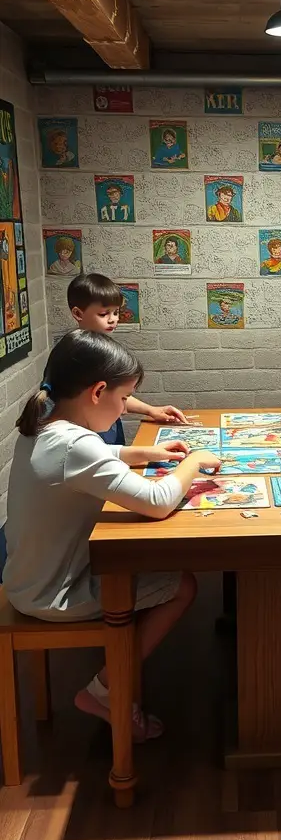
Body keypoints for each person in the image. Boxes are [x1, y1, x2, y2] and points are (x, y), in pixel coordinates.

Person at [3, 330, 221, 738]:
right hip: (56, 594)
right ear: (98, 392)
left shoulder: (44, 426)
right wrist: (194, 463)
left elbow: (97, 455)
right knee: (183, 585)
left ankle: (110, 684)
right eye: (124, 399)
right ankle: (103, 690)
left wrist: (149, 453)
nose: (124, 409)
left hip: (24, 581)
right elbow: (157, 500)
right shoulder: (76, 447)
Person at [67, 273, 190, 443]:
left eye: (116, 312)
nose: (113, 320)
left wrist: (151, 410)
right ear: (78, 313)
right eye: (103, 314)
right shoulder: (77, 354)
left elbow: (115, 393)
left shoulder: (102, 347)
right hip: (90, 436)